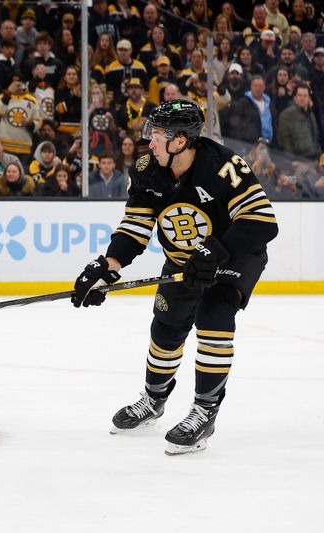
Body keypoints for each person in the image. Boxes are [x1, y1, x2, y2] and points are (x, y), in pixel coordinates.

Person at [71, 99, 278, 455]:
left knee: (214, 314)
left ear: (180, 141)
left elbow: (262, 222)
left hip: (235, 257)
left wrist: (213, 251)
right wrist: (110, 265)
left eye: (158, 134)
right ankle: (154, 400)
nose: (149, 141)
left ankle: (204, 410)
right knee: (166, 327)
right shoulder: (147, 168)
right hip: (184, 260)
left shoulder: (225, 166)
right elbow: (136, 225)